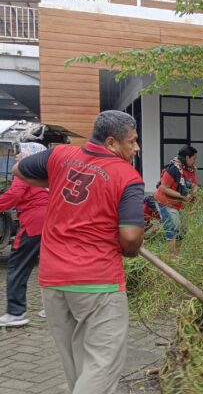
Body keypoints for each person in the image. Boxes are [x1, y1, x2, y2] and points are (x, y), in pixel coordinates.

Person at [13, 110, 144, 394]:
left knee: (77, 361)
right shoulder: (127, 177)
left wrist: (55, 183)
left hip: (53, 279)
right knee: (102, 364)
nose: (136, 148)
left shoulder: (59, 156)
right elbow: (131, 237)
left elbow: (20, 171)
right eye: (131, 141)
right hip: (98, 282)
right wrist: (131, 249)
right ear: (111, 143)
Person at [0, 143, 49, 327]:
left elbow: (14, 195)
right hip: (52, 222)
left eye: (20, 153)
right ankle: (53, 308)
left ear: (30, 156)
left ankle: (16, 312)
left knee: (17, 266)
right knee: (49, 265)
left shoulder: (24, 172)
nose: (17, 157)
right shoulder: (44, 175)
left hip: (34, 223)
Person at [154, 145, 198, 254]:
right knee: (172, 229)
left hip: (179, 203)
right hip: (166, 202)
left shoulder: (190, 169)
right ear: (187, 157)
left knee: (182, 229)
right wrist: (182, 196)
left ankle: (176, 255)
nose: (194, 161)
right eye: (193, 158)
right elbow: (163, 188)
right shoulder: (173, 169)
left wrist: (194, 190)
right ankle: (172, 259)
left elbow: (194, 184)